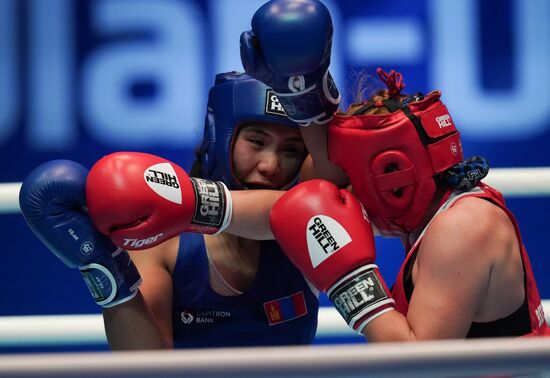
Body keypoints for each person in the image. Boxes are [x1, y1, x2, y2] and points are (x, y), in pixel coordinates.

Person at [237, 0, 550, 340]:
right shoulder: (440, 211)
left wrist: (351, 281)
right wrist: (198, 204)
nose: (347, 194)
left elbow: (420, 366)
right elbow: (296, 202)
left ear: (393, 178)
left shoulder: (462, 227)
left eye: (352, 178)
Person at [19, 72, 319, 350]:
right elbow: (148, 366)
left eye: (290, 150)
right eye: (256, 141)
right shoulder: (166, 243)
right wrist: (105, 270)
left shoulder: (309, 230)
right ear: (221, 138)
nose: (271, 166)